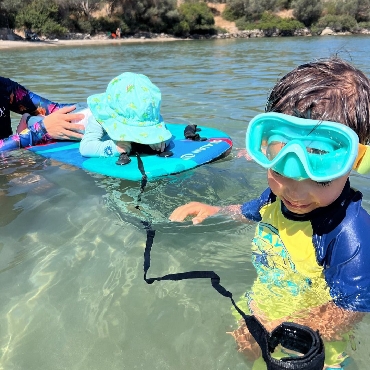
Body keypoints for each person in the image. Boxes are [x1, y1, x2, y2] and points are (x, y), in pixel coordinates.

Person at [169, 57, 370, 370]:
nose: (293, 192)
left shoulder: (348, 232)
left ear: (354, 162)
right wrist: (215, 210)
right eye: (279, 170)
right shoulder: (276, 198)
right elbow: (250, 212)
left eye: (318, 179)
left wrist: (280, 329)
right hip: (267, 322)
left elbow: (352, 306)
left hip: (312, 352)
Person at [79, 72, 172, 165]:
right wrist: (115, 147)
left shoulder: (148, 112)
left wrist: (158, 141)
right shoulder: (99, 117)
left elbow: (165, 134)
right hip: (79, 119)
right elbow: (85, 147)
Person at [0, 77, 85, 151]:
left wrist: (91, 108)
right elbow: (43, 128)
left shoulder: (4, 87)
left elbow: (52, 109)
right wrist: (42, 130)